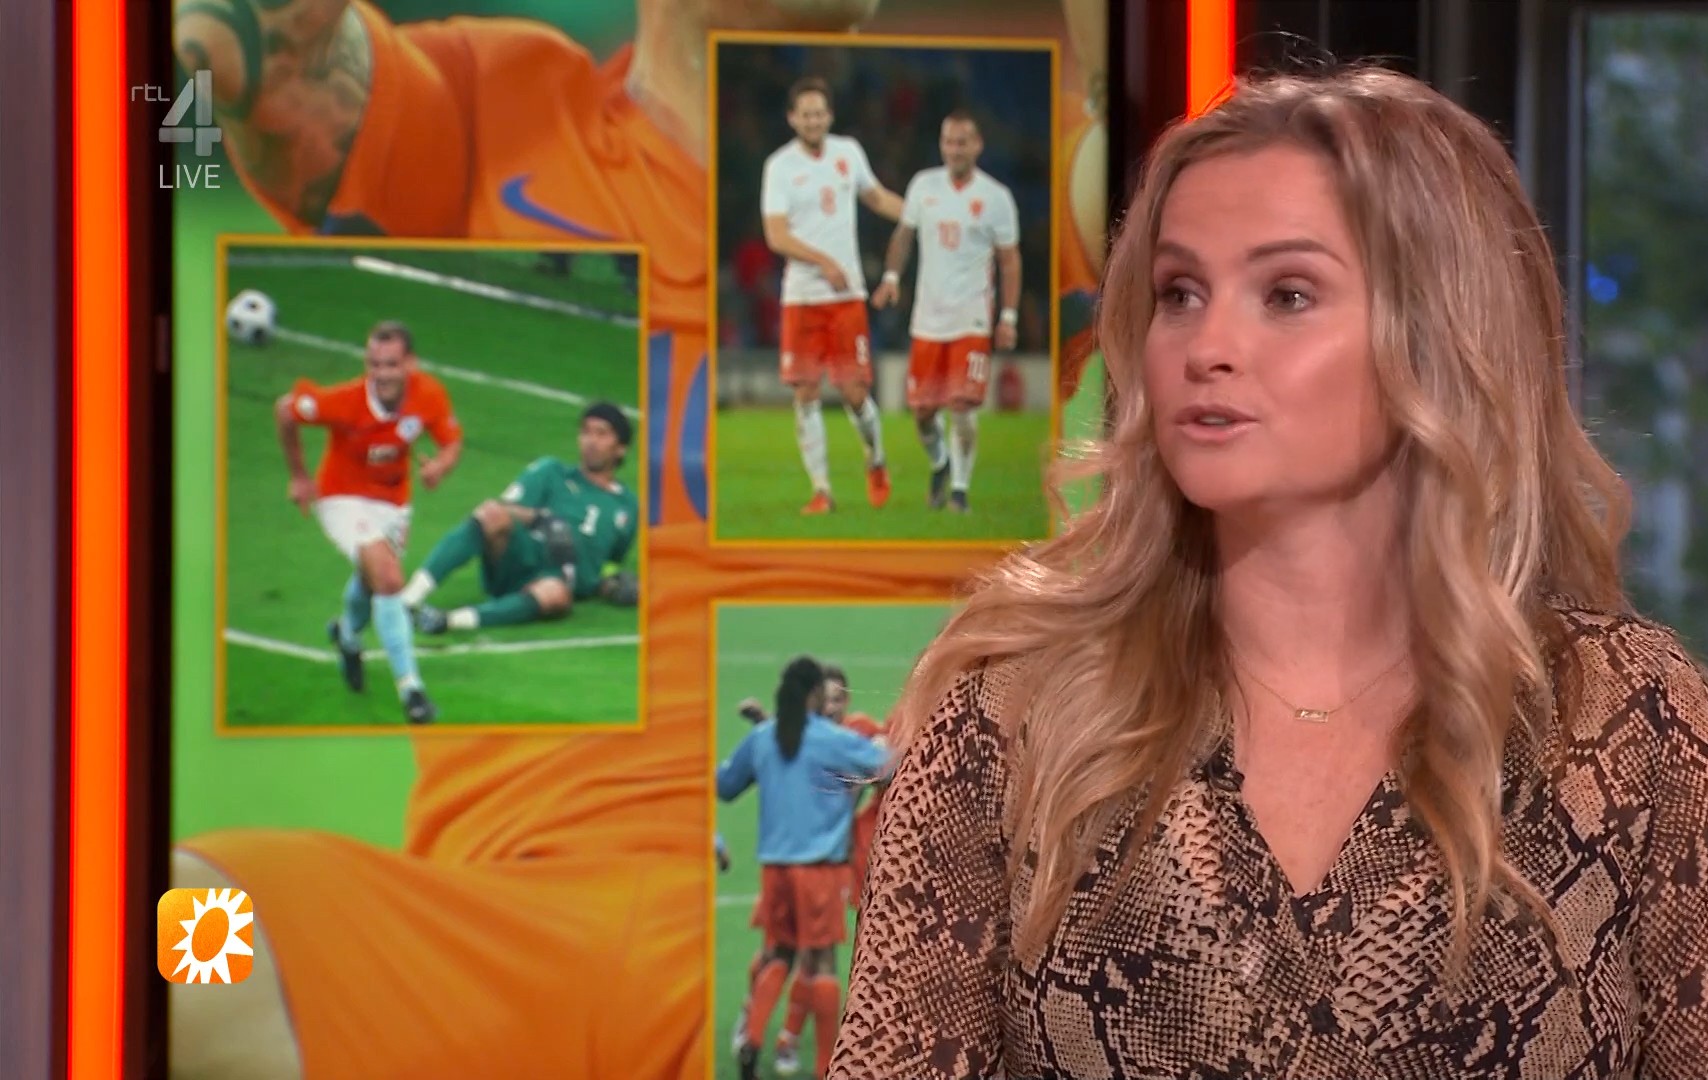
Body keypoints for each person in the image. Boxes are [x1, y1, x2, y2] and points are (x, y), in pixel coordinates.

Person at [829, 68, 1708, 1079]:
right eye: (1180, 293)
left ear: (1437, 335)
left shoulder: (1632, 729)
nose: (1207, 346)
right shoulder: (1011, 721)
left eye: (1288, 295)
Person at [167, 0, 1105, 1076]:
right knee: (172, 948)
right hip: (515, 937)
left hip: (863, 932)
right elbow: (259, 55)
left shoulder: (990, 166)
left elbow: (1164, 166)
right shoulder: (495, 112)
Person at [274, 319, 461, 726]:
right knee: (389, 578)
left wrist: (441, 467)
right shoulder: (345, 401)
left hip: (393, 503)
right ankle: (411, 690)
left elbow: (451, 441)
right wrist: (300, 476)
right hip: (342, 497)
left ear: (410, 364)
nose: (382, 374)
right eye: (374, 364)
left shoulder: (428, 394)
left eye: (391, 364)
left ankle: (348, 636)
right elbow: (286, 410)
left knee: (371, 579)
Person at [718, 657, 888, 1080]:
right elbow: (887, 767)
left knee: (779, 953)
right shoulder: (832, 739)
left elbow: (725, 786)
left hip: (774, 869)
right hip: (819, 871)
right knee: (824, 964)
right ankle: (827, 1067)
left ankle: (751, 1039)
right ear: (815, 694)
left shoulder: (764, 737)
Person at [761, 76, 904, 515]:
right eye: (805, 114)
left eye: (819, 113)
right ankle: (821, 491)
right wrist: (823, 261)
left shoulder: (848, 153)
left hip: (846, 298)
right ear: (792, 118)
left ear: (830, 115)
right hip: (802, 298)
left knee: (854, 393)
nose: (813, 120)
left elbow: (876, 198)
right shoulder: (779, 166)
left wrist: (922, 214)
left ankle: (875, 461)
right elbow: (776, 235)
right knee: (805, 392)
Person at [871, 110, 1020, 514]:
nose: (955, 149)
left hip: (971, 318)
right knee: (922, 413)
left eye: (962, 142)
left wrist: (1007, 317)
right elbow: (904, 235)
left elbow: (1009, 260)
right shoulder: (923, 186)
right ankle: (941, 463)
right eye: (949, 141)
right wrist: (891, 277)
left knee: (962, 406)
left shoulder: (996, 197)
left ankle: (959, 492)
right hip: (928, 319)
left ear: (978, 145)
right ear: (941, 145)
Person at [403, 402, 642, 635]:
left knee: (556, 595)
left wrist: (610, 585)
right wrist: (543, 519)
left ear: (620, 448)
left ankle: (447, 621)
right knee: (491, 513)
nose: (591, 441)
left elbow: (609, 563)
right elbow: (505, 508)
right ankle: (407, 598)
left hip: (557, 583)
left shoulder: (628, 507)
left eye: (601, 434)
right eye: (586, 432)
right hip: (521, 559)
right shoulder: (552, 472)